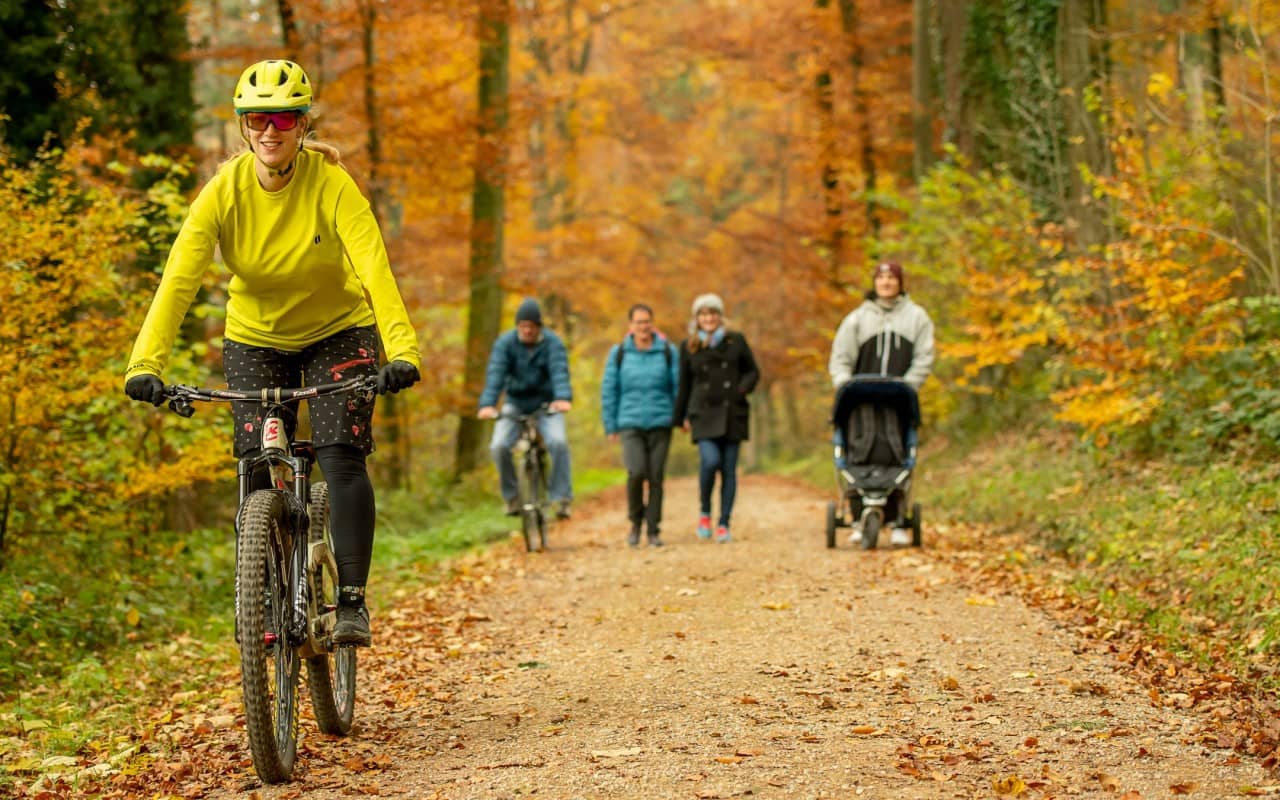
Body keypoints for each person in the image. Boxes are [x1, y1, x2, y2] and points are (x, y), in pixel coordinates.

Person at [123, 59, 421, 647]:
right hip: (255, 337)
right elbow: (179, 278)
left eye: (283, 117)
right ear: (243, 127)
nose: (270, 129)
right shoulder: (223, 192)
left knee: (340, 454)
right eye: (258, 118)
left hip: (339, 330)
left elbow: (373, 268)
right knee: (257, 467)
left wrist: (403, 350)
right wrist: (145, 363)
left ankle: (353, 601)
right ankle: (263, 594)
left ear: (303, 124)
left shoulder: (332, 185)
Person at [827, 260, 934, 545]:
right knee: (860, 450)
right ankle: (859, 517)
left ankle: (898, 520)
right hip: (860, 401)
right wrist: (844, 386)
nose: (886, 282)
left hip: (898, 401)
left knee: (896, 454)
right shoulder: (857, 319)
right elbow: (840, 357)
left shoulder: (916, 318)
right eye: (881, 277)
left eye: (891, 277)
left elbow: (925, 356)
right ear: (874, 282)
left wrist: (909, 387)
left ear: (900, 282)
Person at [674, 294, 759, 544]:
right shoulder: (689, 346)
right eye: (703, 315)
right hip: (702, 412)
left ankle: (724, 523)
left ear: (720, 316)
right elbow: (684, 383)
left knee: (729, 470)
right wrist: (680, 417)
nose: (708, 319)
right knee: (710, 462)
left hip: (733, 412)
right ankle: (704, 512)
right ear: (697, 319)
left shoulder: (736, 341)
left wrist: (741, 389)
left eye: (712, 314)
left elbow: (753, 372)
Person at [477, 298, 574, 519]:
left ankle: (561, 498)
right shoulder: (505, 344)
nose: (527, 330)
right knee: (499, 446)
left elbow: (559, 372)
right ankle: (512, 498)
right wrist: (487, 404)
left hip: (546, 404)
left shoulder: (553, 343)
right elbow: (496, 375)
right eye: (523, 326)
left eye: (531, 326)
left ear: (539, 326)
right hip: (516, 404)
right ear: (517, 326)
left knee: (558, 442)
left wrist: (562, 398)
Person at [601, 303, 680, 547]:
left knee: (656, 476)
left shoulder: (667, 351)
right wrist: (610, 425)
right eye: (638, 322)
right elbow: (609, 390)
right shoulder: (619, 353)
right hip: (630, 422)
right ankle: (636, 522)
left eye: (647, 321)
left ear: (652, 324)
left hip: (661, 421)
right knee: (636, 473)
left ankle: (653, 530)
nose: (643, 326)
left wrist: (681, 417)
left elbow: (677, 386)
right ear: (630, 326)